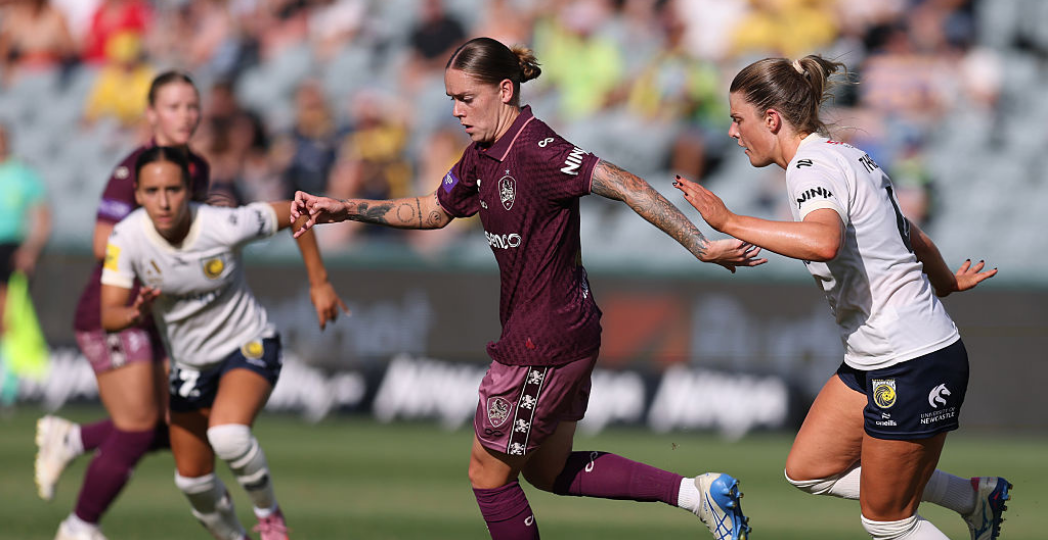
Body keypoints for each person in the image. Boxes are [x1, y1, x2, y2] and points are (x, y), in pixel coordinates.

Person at [291, 37, 762, 540]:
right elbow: (434, 210)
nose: (455, 111)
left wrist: (701, 245)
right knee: (547, 471)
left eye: (466, 99)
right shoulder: (482, 154)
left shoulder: (539, 150)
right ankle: (698, 494)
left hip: (544, 341)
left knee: (487, 476)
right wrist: (346, 207)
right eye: (451, 99)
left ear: (505, 90)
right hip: (560, 332)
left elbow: (630, 185)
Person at [673, 55, 1010, 540]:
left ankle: (958, 504)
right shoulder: (847, 155)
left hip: (911, 359)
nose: (732, 132)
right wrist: (944, 281)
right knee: (808, 469)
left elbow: (822, 241)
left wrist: (728, 223)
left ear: (771, 120)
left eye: (737, 119)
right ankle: (972, 498)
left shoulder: (810, 169)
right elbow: (909, 231)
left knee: (887, 524)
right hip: (876, 356)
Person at [100, 146, 345, 540]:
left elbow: (298, 210)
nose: (163, 202)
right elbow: (108, 315)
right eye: (152, 191)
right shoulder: (127, 237)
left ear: (189, 189)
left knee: (228, 435)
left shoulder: (222, 224)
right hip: (190, 366)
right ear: (139, 195)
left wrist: (319, 282)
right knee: (194, 485)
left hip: (247, 344)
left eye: (174, 189)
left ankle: (271, 520)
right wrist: (133, 313)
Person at [35, 71, 219, 540]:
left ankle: (73, 439)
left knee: (169, 428)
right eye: (174, 107)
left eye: (191, 106)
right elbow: (103, 242)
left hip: (152, 311)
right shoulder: (135, 168)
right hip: (113, 311)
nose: (185, 116)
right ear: (152, 113)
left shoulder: (197, 167)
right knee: (138, 428)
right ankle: (78, 528)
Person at [0, 122, 52, 400]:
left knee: (6, 315)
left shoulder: (22, 175)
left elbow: (42, 215)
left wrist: (31, 249)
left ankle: (9, 379)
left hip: (8, 248)